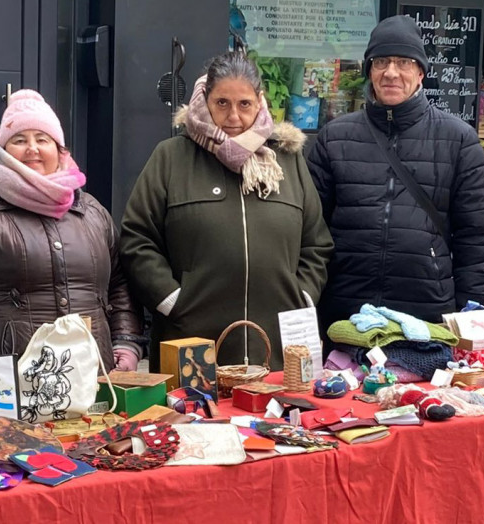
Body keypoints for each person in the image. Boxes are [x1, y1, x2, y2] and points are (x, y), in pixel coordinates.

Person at [120, 51, 333, 371]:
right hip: (191, 342)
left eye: (244, 104)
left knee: (275, 421)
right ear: (205, 101)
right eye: (222, 103)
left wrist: (300, 295)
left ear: (259, 102)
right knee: (191, 421)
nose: (233, 116)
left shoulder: (286, 159)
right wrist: (172, 300)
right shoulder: (172, 157)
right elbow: (137, 238)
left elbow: (317, 242)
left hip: (276, 346)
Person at [306, 15, 484, 355]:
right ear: (369, 70)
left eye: (404, 62)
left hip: (426, 319)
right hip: (345, 316)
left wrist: (470, 317)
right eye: (381, 62)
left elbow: (475, 238)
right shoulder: (334, 138)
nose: (391, 72)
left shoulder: (459, 140)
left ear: (421, 72)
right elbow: (309, 231)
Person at [0, 89, 145, 372]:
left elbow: (120, 285)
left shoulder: (92, 211)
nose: (32, 148)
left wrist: (126, 342)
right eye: (19, 140)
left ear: (59, 150)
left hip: (91, 373)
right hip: (14, 376)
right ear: (3, 151)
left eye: (42, 139)